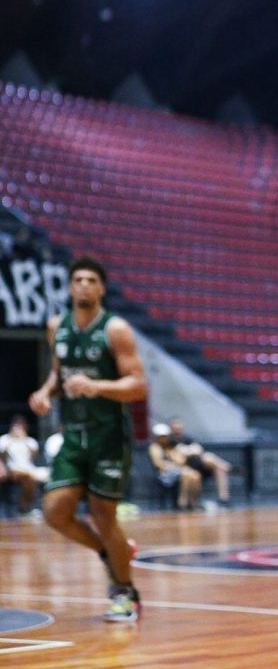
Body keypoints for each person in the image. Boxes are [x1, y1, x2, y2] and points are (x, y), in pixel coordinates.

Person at [28, 255, 146, 622]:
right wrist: (45, 392)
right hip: (72, 435)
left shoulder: (115, 329)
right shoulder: (56, 327)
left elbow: (138, 385)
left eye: (91, 280)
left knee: (102, 514)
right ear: (69, 287)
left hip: (108, 436)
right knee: (54, 511)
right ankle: (112, 553)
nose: (83, 285)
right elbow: (59, 374)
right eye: (77, 279)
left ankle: (124, 593)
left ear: (102, 289)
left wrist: (97, 386)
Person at [168, 416, 232, 506]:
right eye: (175, 424)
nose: (177, 426)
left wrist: (188, 450)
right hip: (187, 466)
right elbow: (180, 453)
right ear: (171, 426)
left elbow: (198, 449)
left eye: (179, 424)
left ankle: (223, 498)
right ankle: (228, 467)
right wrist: (189, 450)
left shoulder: (186, 438)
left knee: (216, 466)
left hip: (199, 463)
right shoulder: (170, 440)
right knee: (208, 458)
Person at [0, 414, 48, 515]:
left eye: (21, 425)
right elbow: (2, 456)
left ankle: (36, 507)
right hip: (11, 469)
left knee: (39, 476)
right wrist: (11, 440)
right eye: (16, 425)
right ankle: (25, 508)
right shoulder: (4, 439)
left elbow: (34, 455)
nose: (18, 428)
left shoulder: (30, 440)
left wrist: (23, 439)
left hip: (28, 469)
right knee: (28, 477)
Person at [148, 423, 201, 510]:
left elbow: (181, 461)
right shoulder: (154, 447)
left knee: (195, 475)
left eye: (165, 436)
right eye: (161, 436)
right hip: (163, 474)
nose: (164, 438)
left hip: (176, 470)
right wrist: (174, 466)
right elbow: (159, 464)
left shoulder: (171, 447)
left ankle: (193, 503)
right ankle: (182, 502)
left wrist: (177, 461)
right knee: (186, 474)